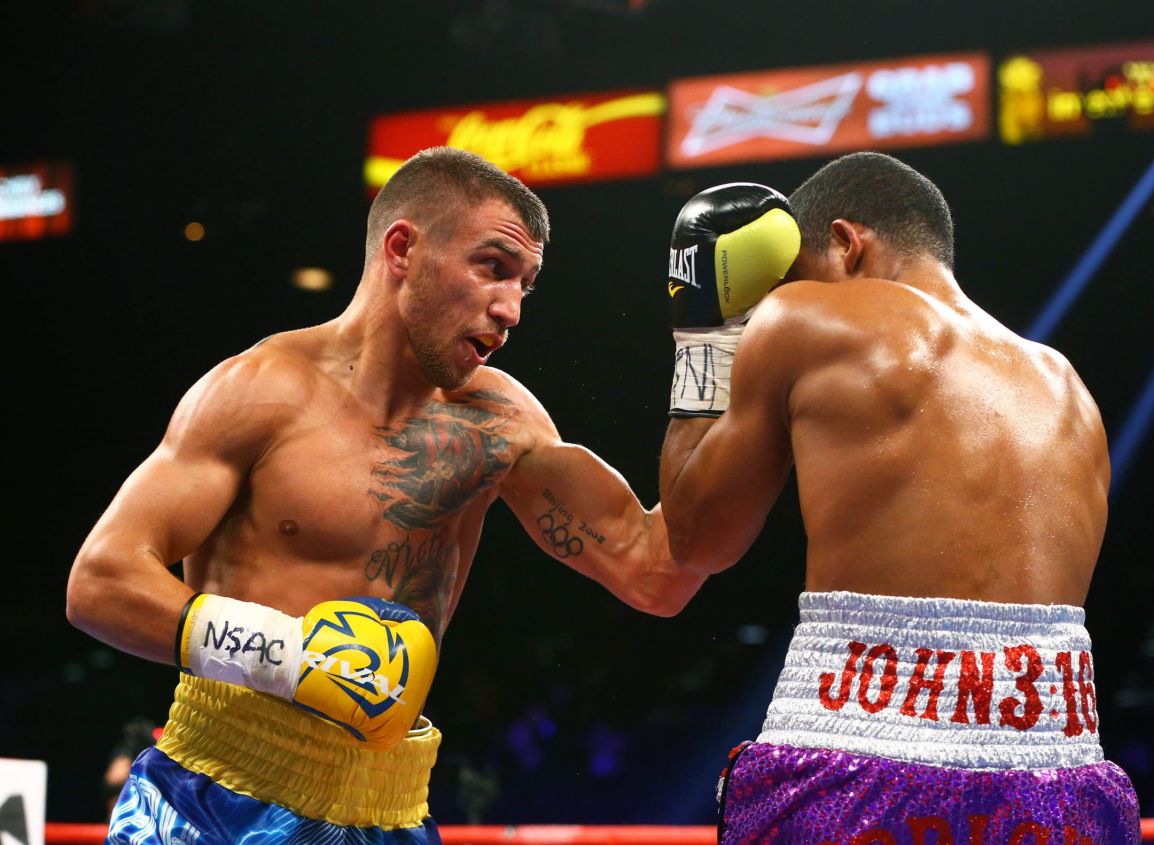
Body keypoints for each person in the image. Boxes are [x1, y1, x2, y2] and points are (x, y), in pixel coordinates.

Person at [66, 145, 706, 844]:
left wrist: (715, 349)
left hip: (389, 809)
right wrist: (290, 656)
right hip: (214, 796)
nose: (512, 307)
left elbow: (658, 573)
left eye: (526, 283)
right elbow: (100, 581)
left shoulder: (501, 425)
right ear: (402, 247)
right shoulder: (261, 391)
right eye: (493, 267)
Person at [658, 154, 1140, 844]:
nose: (779, 299)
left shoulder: (805, 314)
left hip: (859, 764)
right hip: (1062, 779)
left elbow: (696, 537)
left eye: (794, 274)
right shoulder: (1066, 385)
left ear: (847, 243)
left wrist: (702, 333)